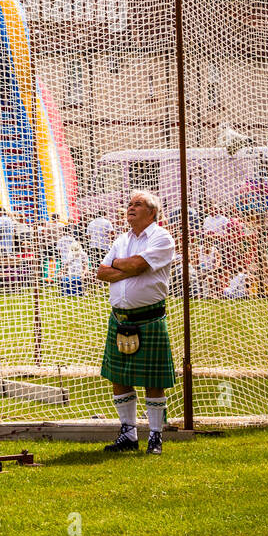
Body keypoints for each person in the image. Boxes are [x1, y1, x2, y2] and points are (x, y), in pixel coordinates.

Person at [96, 190, 176, 455]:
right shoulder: (121, 239)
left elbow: (141, 264)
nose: (130, 207)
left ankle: (155, 436)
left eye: (137, 204)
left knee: (153, 379)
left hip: (149, 318)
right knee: (119, 377)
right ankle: (128, 434)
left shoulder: (162, 238)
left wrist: (119, 265)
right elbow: (101, 272)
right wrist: (125, 266)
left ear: (152, 212)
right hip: (120, 318)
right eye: (129, 204)